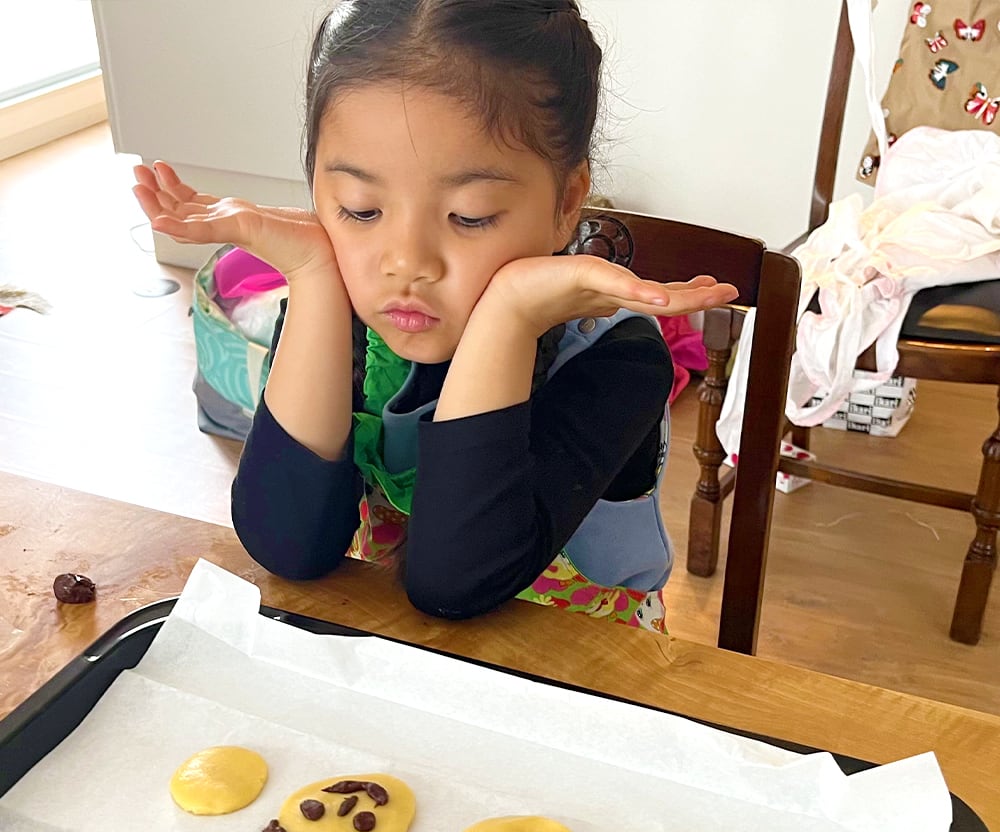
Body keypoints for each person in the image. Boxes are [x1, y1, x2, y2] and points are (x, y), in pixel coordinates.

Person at [132, 0, 737, 631]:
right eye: (361, 209)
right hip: (392, 656)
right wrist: (312, 274)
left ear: (566, 204)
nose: (407, 264)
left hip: (583, 671)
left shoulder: (619, 359)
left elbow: (455, 582)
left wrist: (507, 318)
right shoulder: (343, 315)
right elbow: (287, 545)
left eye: (469, 217)